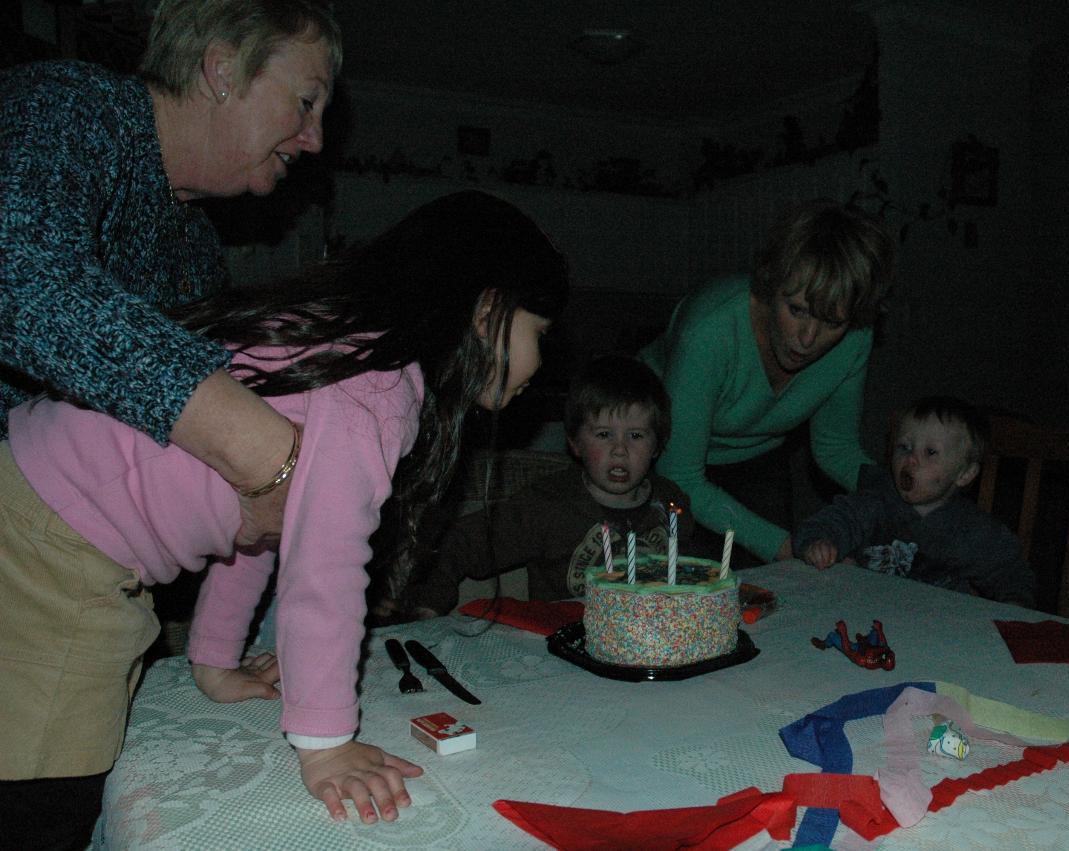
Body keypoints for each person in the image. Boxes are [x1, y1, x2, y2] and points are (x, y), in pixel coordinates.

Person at [0, 190, 570, 847]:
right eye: (540, 333)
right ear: (489, 309)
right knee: (47, 786)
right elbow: (324, 566)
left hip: (49, 513)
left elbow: (265, 526)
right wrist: (325, 742)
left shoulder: (348, 350)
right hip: (57, 536)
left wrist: (214, 658)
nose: (541, 361)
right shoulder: (380, 386)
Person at [0, 0, 343, 553]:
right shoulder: (68, 105)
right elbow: (18, 272)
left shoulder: (197, 245)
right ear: (222, 71)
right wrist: (261, 449)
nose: (316, 139)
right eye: (306, 102)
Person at [638, 198, 895, 565]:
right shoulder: (710, 331)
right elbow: (680, 474)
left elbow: (835, 448)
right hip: (657, 457)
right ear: (772, 284)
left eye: (832, 322)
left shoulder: (856, 340)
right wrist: (785, 546)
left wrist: (902, 494)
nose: (807, 339)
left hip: (758, 460)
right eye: (797, 310)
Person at [399, 354, 692, 618]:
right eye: (604, 434)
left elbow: (696, 570)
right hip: (566, 649)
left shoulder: (670, 502)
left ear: (658, 445)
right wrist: (427, 603)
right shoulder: (547, 505)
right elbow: (461, 543)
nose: (620, 450)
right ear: (575, 442)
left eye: (636, 436)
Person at [792, 396, 1034, 607]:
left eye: (930, 452)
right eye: (905, 447)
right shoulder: (875, 503)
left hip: (937, 629)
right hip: (865, 614)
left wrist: (1015, 603)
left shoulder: (970, 528)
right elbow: (830, 522)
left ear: (964, 474)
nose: (911, 460)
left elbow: (1010, 570)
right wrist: (818, 543)